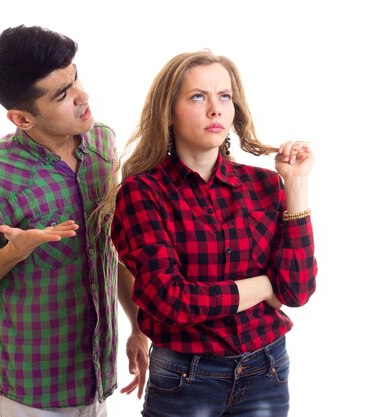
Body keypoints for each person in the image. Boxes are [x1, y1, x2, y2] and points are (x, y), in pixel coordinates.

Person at [0, 25, 148, 417]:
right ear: (22, 118)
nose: (83, 96)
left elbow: (111, 249)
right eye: (62, 94)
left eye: (75, 78)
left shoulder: (103, 145)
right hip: (29, 395)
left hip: (95, 383)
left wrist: (138, 328)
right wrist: (13, 253)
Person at [109, 50, 318, 416]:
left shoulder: (265, 185)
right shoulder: (143, 193)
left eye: (224, 96)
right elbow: (169, 300)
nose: (215, 109)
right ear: (169, 112)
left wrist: (296, 184)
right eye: (197, 97)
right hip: (185, 378)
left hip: (266, 370)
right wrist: (268, 286)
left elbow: (298, 289)